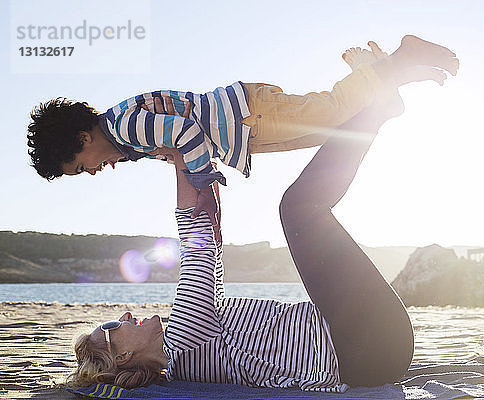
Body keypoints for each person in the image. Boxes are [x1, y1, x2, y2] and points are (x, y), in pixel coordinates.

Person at [65, 57, 430, 390]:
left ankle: (374, 110)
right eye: (112, 327)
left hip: (370, 346)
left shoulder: (189, 355)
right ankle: (375, 110)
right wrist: (180, 161)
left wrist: (188, 165)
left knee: (300, 203)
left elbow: (211, 253)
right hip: (366, 342)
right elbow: (199, 251)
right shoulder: (183, 337)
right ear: (122, 358)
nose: (124, 315)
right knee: (299, 210)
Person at [27, 36, 458, 223]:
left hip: (247, 114)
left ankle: (400, 57)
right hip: (246, 133)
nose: (92, 171)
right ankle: (384, 73)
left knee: (331, 112)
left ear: (83, 140)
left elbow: (186, 136)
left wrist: (202, 182)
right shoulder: (125, 138)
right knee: (333, 127)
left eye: (80, 167)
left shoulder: (124, 123)